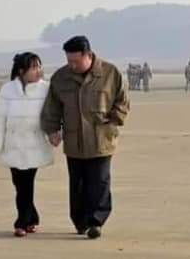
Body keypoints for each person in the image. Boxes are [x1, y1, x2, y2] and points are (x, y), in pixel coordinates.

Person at [41, 36, 130, 240]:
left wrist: (114, 120)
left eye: (76, 61)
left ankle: (96, 222)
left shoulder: (110, 73)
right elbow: (52, 108)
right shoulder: (60, 78)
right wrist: (52, 130)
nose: (71, 65)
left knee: (99, 182)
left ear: (88, 55)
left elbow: (122, 101)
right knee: (78, 184)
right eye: (68, 61)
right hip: (74, 141)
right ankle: (80, 222)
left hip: (101, 139)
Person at [0, 52, 54, 238]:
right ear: (22, 71)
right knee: (19, 184)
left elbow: (53, 115)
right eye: (34, 67)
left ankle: (21, 222)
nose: (39, 71)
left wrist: (55, 134)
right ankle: (32, 217)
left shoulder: (46, 89)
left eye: (39, 66)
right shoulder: (7, 90)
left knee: (26, 184)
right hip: (13, 145)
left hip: (34, 145)